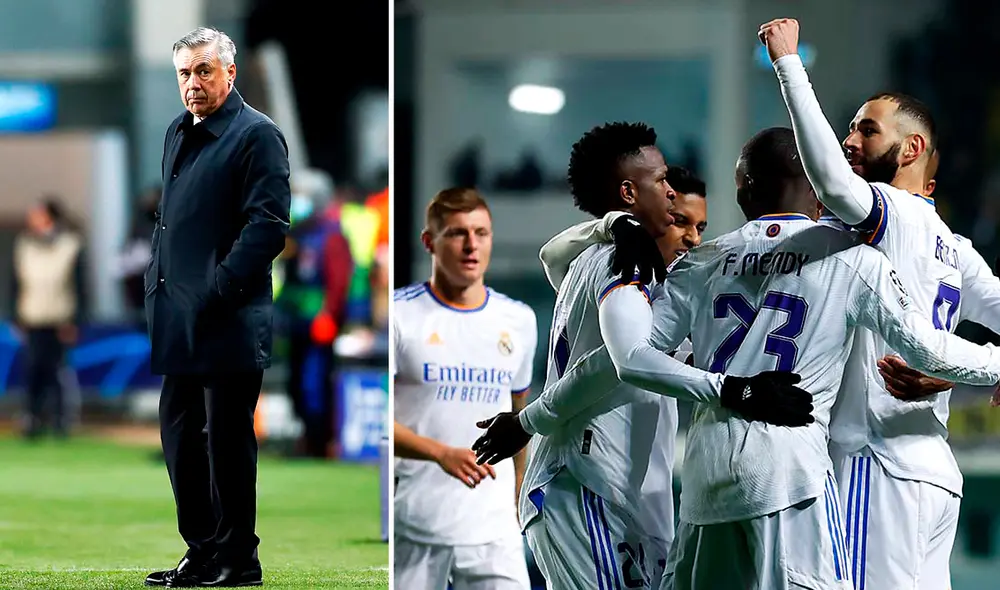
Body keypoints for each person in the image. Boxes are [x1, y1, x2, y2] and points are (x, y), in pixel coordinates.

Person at [479, 126, 1000, 589]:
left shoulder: (700, 262)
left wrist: (531, 419)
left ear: (743, 190)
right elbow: (930, 347)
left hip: (707, 484)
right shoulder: (854, 260)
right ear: (818, 191)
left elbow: (626, 357)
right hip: (789, 475)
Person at [473, 125, 812, 590]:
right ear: (632, 194)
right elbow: (620, 360)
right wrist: (736, 389)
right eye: (678, 218)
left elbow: (551, 256)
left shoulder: (636, 277)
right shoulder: (624, 266)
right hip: (588, 483)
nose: (692, 237)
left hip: (624, 496)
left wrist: (611, 222)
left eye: (700, 227)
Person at [763, 17, 1000, 588]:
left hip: (878, 463)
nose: (850, 141)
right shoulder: (957, 247)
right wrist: (960, 375)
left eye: (866, 130)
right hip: (935, 472)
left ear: (911, 148)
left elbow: (831, 183)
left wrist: (789, 65)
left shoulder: (889, 212)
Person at [143, 27, 291, 588]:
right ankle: (202, 550)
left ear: (230, 73)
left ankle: (238, 559)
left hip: (227, 318)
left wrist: (217, 290)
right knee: (180, 439)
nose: (194, 83)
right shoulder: (178, 132)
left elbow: (269, 227)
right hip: (178, 318)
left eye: (204, 71)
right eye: (185, 73)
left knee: (226, 444)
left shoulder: (257, 135)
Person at [393, 187, 537, 589]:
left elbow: (517, 419)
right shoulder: (401, 315)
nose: (472, 245)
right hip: (418, 527)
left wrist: (518, 496)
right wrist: (440, 454)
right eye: (457, 233)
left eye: (481, 232)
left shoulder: (518, 320)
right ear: (429, 243)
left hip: (495, 533)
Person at [11, 197, 85, 439]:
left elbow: (79, 285)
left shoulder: (70, 245)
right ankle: (32, 420)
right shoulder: (24, 245)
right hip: (32, 317)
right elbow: (15, 284)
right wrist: (15, 315)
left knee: (58, 373)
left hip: (59, 318)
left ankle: (61, 421)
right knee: (33, 371)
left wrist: (75, 319)